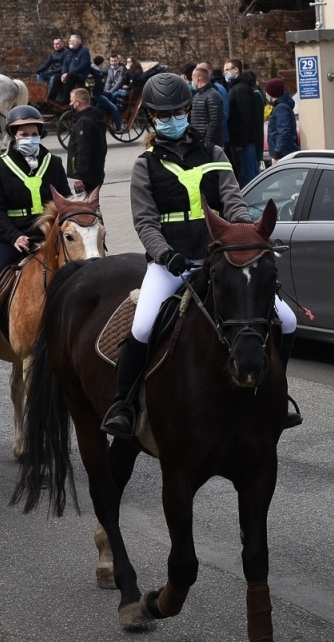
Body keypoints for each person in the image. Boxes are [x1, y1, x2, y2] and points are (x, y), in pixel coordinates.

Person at [102, 73, 299, 438]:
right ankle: (123, 404)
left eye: (177, 112)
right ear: (153, 119)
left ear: (187, 111)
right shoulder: (145, 165)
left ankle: (275, 392)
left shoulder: (215, 154)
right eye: (163, 115)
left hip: (218, 259)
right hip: (171, 263)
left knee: (286, 320)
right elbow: (145, 222)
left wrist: (247, 234)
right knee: (143, 325)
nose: (171, 119)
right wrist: (164, 254)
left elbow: (234, 202)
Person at [0, 104, 71, 363]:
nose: (29, 138)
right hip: (11, 239)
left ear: (40, 132)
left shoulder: (55, 163)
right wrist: (14, 236)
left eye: (33, 133)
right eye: (23, 134)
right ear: (13, 136)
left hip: (49, 237)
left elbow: (65, 203)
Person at [67, 87, 108, 196]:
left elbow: (83, 149)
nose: (70, 104)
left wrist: (79, 175)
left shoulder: (84, 122)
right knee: (93, 205)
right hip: (96, 172)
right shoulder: (96, 117)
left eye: (71, 101)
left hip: (87, 176)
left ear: (77, 103)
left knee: (85, 207)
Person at [227, 67, 265, 184]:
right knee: (251, 171)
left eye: (228, 69)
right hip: (247, 140)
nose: (226, 73)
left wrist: (240, 142)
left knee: (248, 173)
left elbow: (245, 117)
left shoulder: (239, 90)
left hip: (244, 141)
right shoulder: (244, 88)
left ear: (236, 71)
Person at [189, 65, 226, 147]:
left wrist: (206, 141)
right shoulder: (197, 95)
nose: (192, 81)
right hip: (199, 141)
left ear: (198, 78)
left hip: (211, 144)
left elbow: (215, 121)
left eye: (192, 78)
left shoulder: (213, 95)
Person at [266, 77, 299, 161]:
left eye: (267, 91)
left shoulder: (281, 108)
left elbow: (284, 132)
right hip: (283, 153)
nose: (266, 94)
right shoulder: (281, 107)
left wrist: (277, 154)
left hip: (283, 155)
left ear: (272, 92)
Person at [38, 38, 67, 102]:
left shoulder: (66, 53)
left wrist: (53, 72)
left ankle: (50, 97)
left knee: (53, 78)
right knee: (40, 75)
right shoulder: (53, 53)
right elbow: (46, 64)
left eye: (57, 44)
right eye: (54, 44)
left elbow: (65, 66)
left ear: (62, 44)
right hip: (53, 72)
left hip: (61, 73)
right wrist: (39, 70)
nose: (55, 45)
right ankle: (42, 94)